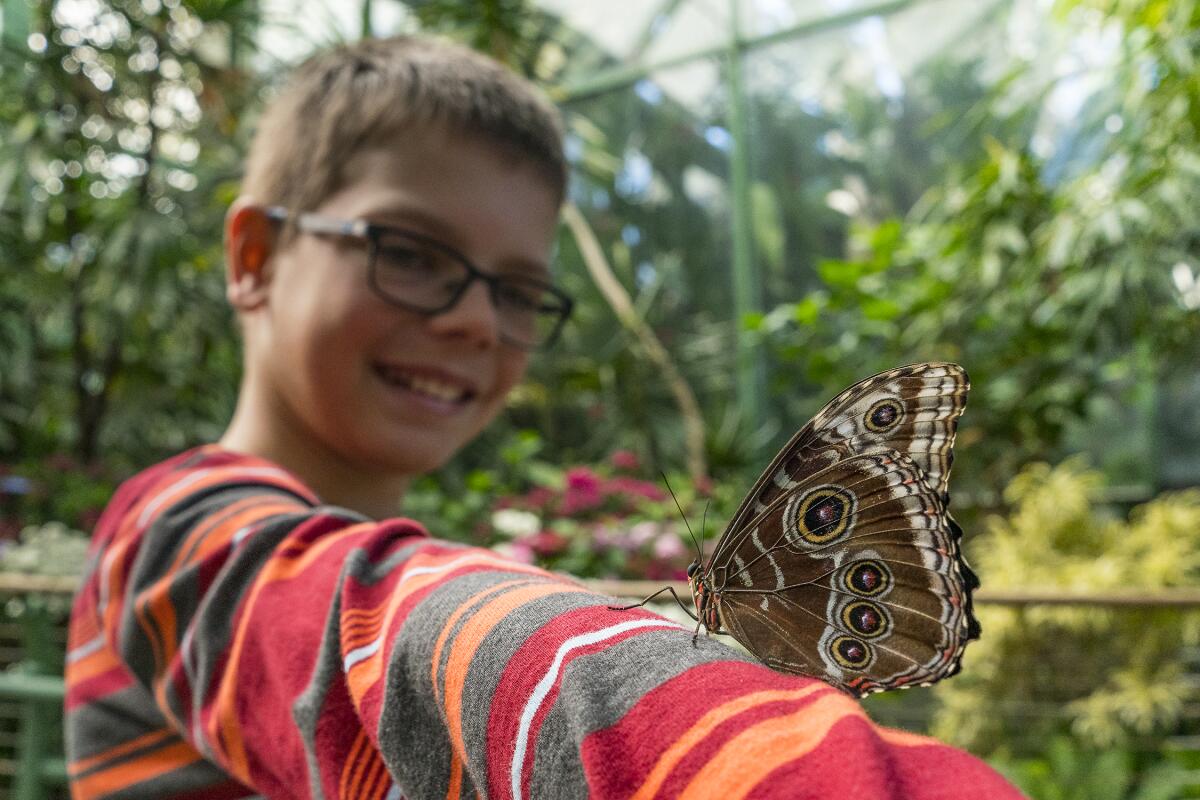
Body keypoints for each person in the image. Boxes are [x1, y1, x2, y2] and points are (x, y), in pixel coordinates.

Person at [63, 35, 1024, 799]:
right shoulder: (172, 539)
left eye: (519, 291)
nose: (477, 318)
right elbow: (386, 635)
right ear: (257, 257)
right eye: (411, 251)